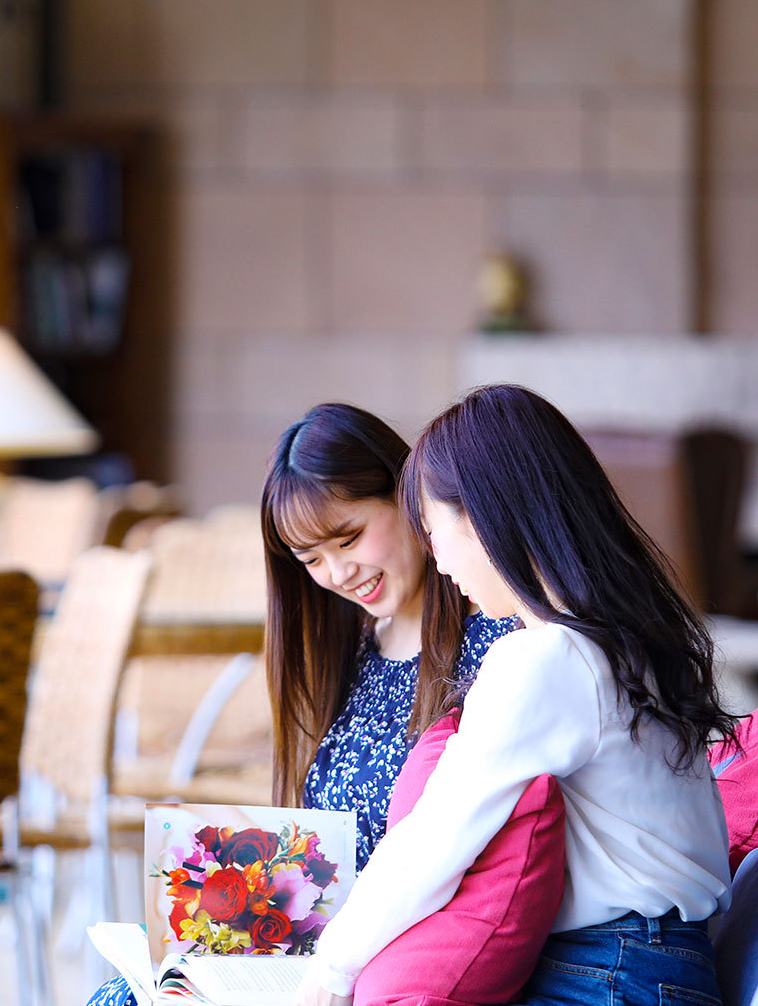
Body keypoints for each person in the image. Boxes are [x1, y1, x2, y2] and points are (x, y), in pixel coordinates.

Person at [297, 384, 733, 1006]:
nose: (439, 563)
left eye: (432, 528)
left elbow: (434, 843)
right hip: (654, 965)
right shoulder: (619, 638)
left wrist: (327, 976)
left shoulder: (547, 661)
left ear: (479, 517)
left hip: (610, 975)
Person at [84, 403, 517, 1006]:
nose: (339, 572)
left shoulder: (495, 647)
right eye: (311, 559)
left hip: (395, 963)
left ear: (410, 497)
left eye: (349, 537)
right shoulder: (354, 648)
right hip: (314, 953)